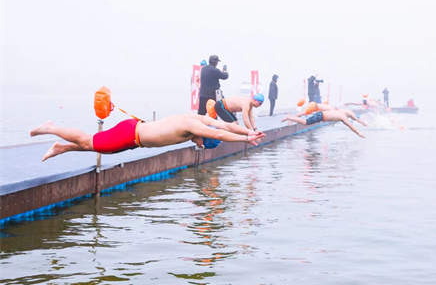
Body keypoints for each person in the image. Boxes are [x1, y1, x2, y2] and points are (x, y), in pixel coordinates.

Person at [30, 114, 266, 161]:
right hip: (130, 135)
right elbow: (219, 133)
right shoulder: (198, 129)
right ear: (203, 140)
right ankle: (49, 127)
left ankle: (61, 148)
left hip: (134, 135)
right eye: (204, 146)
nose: (201, 146)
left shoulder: (200, 119)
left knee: (102, 149)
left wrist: (247, 131)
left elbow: (224, 124)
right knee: (88, 141)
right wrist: (246, 140)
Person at [281, 102, 365, 138]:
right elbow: (351, 125)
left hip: (320, 115)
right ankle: (289, 117)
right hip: (320, 116)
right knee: (305, 122)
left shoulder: (338, 112)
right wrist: (358, 133)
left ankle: (291, 118)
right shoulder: (343, 117)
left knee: (304, 118)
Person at [293, 102, 368, 127]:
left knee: (314, 112)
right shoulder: (352, 114)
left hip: (334, 110)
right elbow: (357, 119)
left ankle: (296, 117)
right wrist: (363, 123)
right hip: (333, 110)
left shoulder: (349, 113)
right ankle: (295, 116)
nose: (354, 119)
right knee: (313, 112)